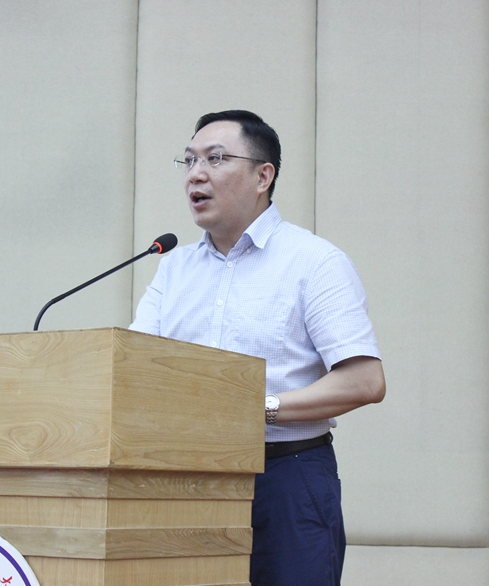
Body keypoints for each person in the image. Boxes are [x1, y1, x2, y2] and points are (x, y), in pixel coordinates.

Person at [129, 110, 386, 586]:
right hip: (186, 480)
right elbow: (135, 369)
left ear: (263, 176)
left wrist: (258, 408)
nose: (195, 174)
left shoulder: (314, 262)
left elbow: (365, 381)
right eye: (189, 160)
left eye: (215, 159)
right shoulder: (173, 268)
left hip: (287, 477)